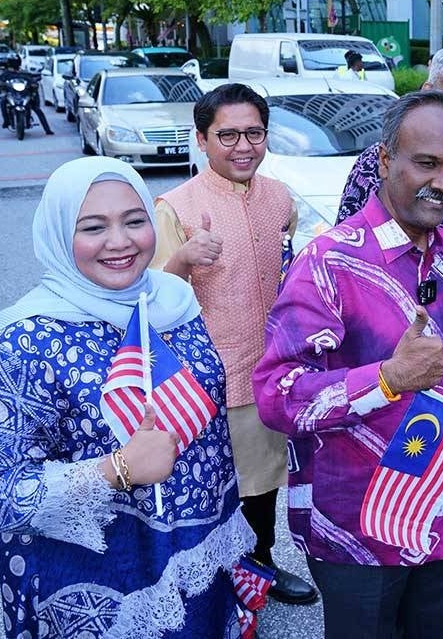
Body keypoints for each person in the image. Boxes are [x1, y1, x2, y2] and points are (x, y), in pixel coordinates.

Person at [253, 90, 443, 639]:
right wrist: (385, 380)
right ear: (384, 161)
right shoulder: (329, 262)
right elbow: (276, 394)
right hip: (360, 529)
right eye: (426, 163)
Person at [0, 157, 254, 637]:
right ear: (59, 235)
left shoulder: (173, 300)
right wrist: (116, 470)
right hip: (92, 582)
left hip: (197, 558)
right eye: (92, 227)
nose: (120, 242)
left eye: (134, 220)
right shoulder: (21, 341)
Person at [337, 43, 443, 639]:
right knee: (394, 473)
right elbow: (351, 268)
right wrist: (382, 368)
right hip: (388, 352)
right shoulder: (372, 170)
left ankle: (442, 587)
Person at [152, 83, 318, 605]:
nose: (243, 146)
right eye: (228, 135)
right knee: (208, 485)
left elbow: (294, 257)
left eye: (254, 132)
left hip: (267, 368)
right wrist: (182, 260)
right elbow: (149, 300)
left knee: (263, 480)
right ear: (202, 139)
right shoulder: (175, 207)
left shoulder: (280, 198)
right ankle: (212, 582)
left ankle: (262, 567)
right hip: (204, 377)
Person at [0, 62, 53, 135]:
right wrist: (1, 84)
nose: (14, 68)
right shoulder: (6, 74)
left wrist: (33, 84)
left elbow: (32, 80)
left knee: (37, 109)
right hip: (12, 95)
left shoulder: (25, 73)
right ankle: (6, 121)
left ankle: (47, 129)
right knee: (3, 102)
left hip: (24, 94)